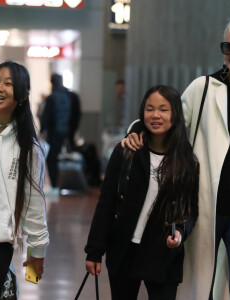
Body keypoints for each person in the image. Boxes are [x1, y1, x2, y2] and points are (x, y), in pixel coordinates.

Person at [123, 17, 230, 300]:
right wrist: (139, 127)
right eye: (228, 46)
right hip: (202, 206)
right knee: (199, 288)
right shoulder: (204, 88)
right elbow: (173, 121)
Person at [85, 85, 199, 300]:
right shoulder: (127, 152)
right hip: (124, 250)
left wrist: (181, 232)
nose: (156, 115)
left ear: (176, 114)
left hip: (162, 253)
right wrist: (94, 251)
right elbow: (107, 203)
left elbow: (191, 209)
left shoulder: (187, 161)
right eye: (150, 109)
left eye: (163, 109)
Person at [0, 61, 49, 299]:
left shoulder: (29, 149)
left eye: (8, 84)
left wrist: (37, 252)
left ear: (21, 95)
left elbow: (33, 204)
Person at [40, 73, 71, 196]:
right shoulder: (67, 96)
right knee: (56, 157)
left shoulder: (52, 97)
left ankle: (54, 185)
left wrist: (42, 130)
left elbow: (46, 116)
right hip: (64, 131)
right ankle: (56, 185)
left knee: (51, 158)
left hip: (54, 132)